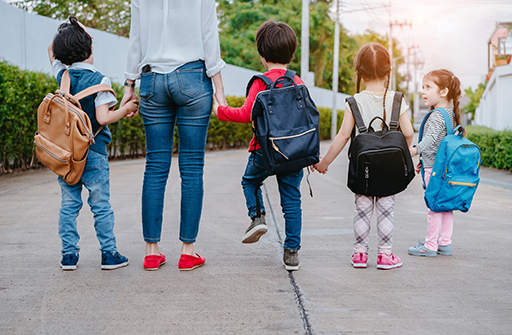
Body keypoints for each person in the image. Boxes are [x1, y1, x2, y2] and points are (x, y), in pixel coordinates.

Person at [121, 0, 227, 271]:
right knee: (191, 168)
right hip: (192, 77)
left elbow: (136, 39)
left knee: (155, 166)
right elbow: (209, 36)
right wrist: (219, 90)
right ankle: (187, 252)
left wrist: (129, 86)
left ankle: (151, 252)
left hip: (152, 80)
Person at [212, 21, 305, 271]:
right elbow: (307, 119)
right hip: (293, 152)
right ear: (291, 53)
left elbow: (245, 114)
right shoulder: (298, 81)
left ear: (262, 56)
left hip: (263, 150)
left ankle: (257, 217)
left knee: (250, 181)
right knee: (291, 201)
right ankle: (292, 253)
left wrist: (219, 110)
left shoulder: (260, 82)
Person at [312, 43, 414, 270]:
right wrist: (403, 153)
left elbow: (342, 136)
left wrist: (323, 163)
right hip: (389, 170)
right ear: (389, 72)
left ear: (359, 72)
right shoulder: (397, 99)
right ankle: (385, 256)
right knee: (386, 211)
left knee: (362, 211)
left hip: (364, 169)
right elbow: (408, 133)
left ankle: (359, 255)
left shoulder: (354, 102)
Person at [49, 16, 139, 271]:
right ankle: (109, 254)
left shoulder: (62, 76)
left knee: (69, 205)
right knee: (100, 205)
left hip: (67, 156)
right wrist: (126, 108)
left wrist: (72, 35)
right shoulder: (100, 81)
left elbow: (51, 50)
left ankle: (68, 256)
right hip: (94, 153)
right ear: (90, 49)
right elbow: (103, 117)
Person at [408, 69, 461, 257]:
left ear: (444, 91)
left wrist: (415, 150)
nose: (423, 91)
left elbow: (430, 139)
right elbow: (441, 144)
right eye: (423, 87)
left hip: (436, 172)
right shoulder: (450, 114)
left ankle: (429, 246)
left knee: (433, 208)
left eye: (428, 87)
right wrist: (425, 160)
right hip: (446, 170)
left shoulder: (437, 115)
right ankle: (444, 243)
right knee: (446, 207)